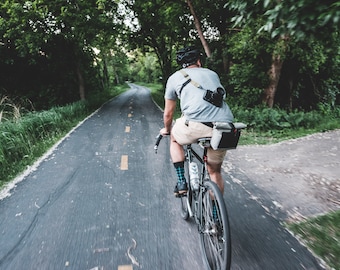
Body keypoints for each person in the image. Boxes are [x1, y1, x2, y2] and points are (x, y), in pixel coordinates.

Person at [160, 46, 234, 196]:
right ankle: (216, 216)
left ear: (182, 64)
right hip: (224, 127)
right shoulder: (212, 74)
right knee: (214, 171)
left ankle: (181, 182)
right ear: (199, 61)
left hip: (195, 125)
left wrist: (167, 130)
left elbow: (168, 114)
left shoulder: (175, 78)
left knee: (174, 138)